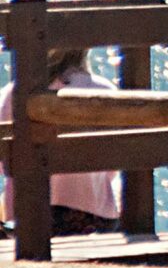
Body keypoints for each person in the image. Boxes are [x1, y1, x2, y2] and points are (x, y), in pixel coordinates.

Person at [1, 49, 121, 240]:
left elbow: (3, 165)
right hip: (95, 218)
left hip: (26, 220)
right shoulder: (104, 90)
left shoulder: (13, 93)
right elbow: (114, 165)